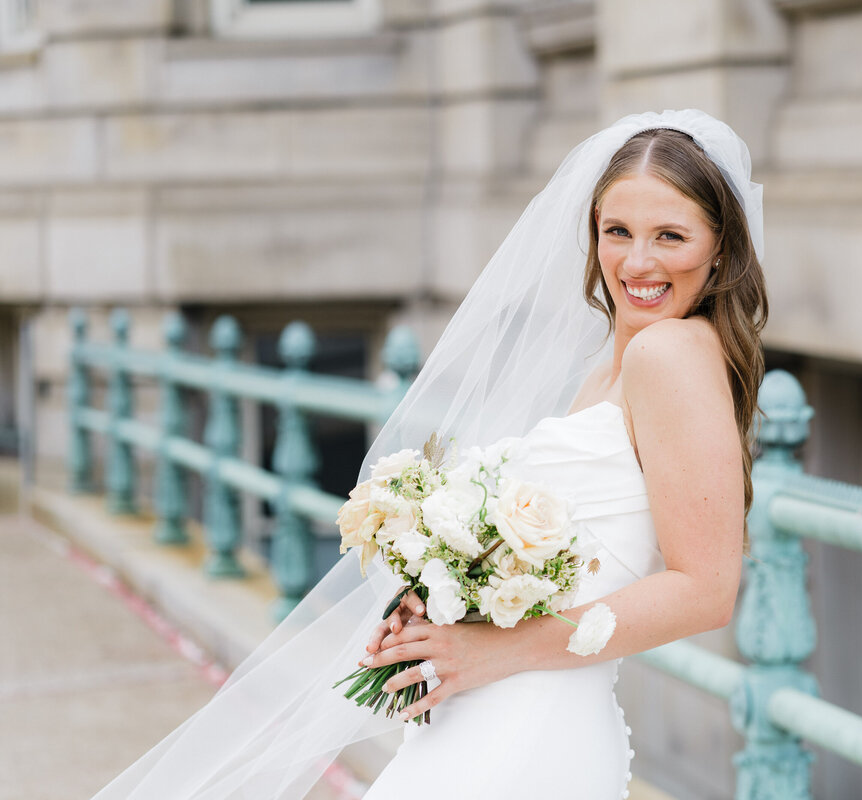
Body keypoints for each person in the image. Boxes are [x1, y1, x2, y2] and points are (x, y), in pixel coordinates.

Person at [91, 109, 767, 800]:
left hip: (530, 727)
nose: (637, 262)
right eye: (617, 231)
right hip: (508, 709)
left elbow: (706, 590)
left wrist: (486, 650)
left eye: (671, 236)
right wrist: (444, 606)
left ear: (720, 248)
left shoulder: (668, 354)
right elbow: (579, 563)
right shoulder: (611, 370)